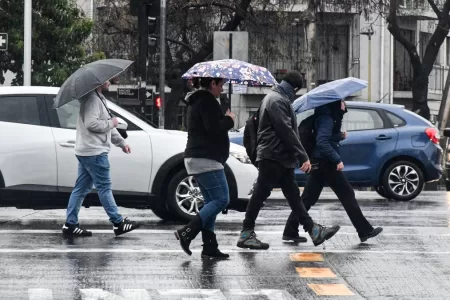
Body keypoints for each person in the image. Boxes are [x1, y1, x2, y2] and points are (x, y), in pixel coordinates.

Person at [236, 71, 341, 250]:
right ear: (295, 88)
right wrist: (303, 156)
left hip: (280, 157)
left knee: (293, 196)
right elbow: (285, 130)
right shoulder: (277, 100)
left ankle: (313, 230)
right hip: (273, 156)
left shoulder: (276, 97)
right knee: (260, 194)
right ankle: (246, 233)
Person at [282, 100, 383, 243]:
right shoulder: (327, 119)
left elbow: (324, 137)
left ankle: (290, 231)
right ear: (335, 104)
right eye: (342, 102)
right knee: (347, 194)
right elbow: (322, 142)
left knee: (308, 199)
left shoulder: (327, 117)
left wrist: (339, 136)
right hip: (326, 163)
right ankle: (364, 230)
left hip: (320, 162)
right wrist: (336, 159)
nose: (345, 104)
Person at [62, 79, 140, 237]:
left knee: (81, 189)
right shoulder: (92, 99)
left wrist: (121, 143)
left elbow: (106, 126)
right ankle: (118, 223)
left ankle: (70, 224)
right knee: (104, 187)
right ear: (98, 82)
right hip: (94, 151)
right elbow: (92, 124)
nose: (110, 82)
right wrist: (112, 123)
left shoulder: (98, 99)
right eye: (108, 80)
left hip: (88, 150)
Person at [174, 76, 236, 259]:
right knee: (222, 200)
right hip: (206, 158)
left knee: (211, 202)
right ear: (212, 84)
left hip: (198, 157)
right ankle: (187, 232)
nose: (222, 89)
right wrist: (229, 120)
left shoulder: (198, 100)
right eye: (221, 85)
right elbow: (214, 129)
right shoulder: (206, 101)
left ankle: (209, 246)